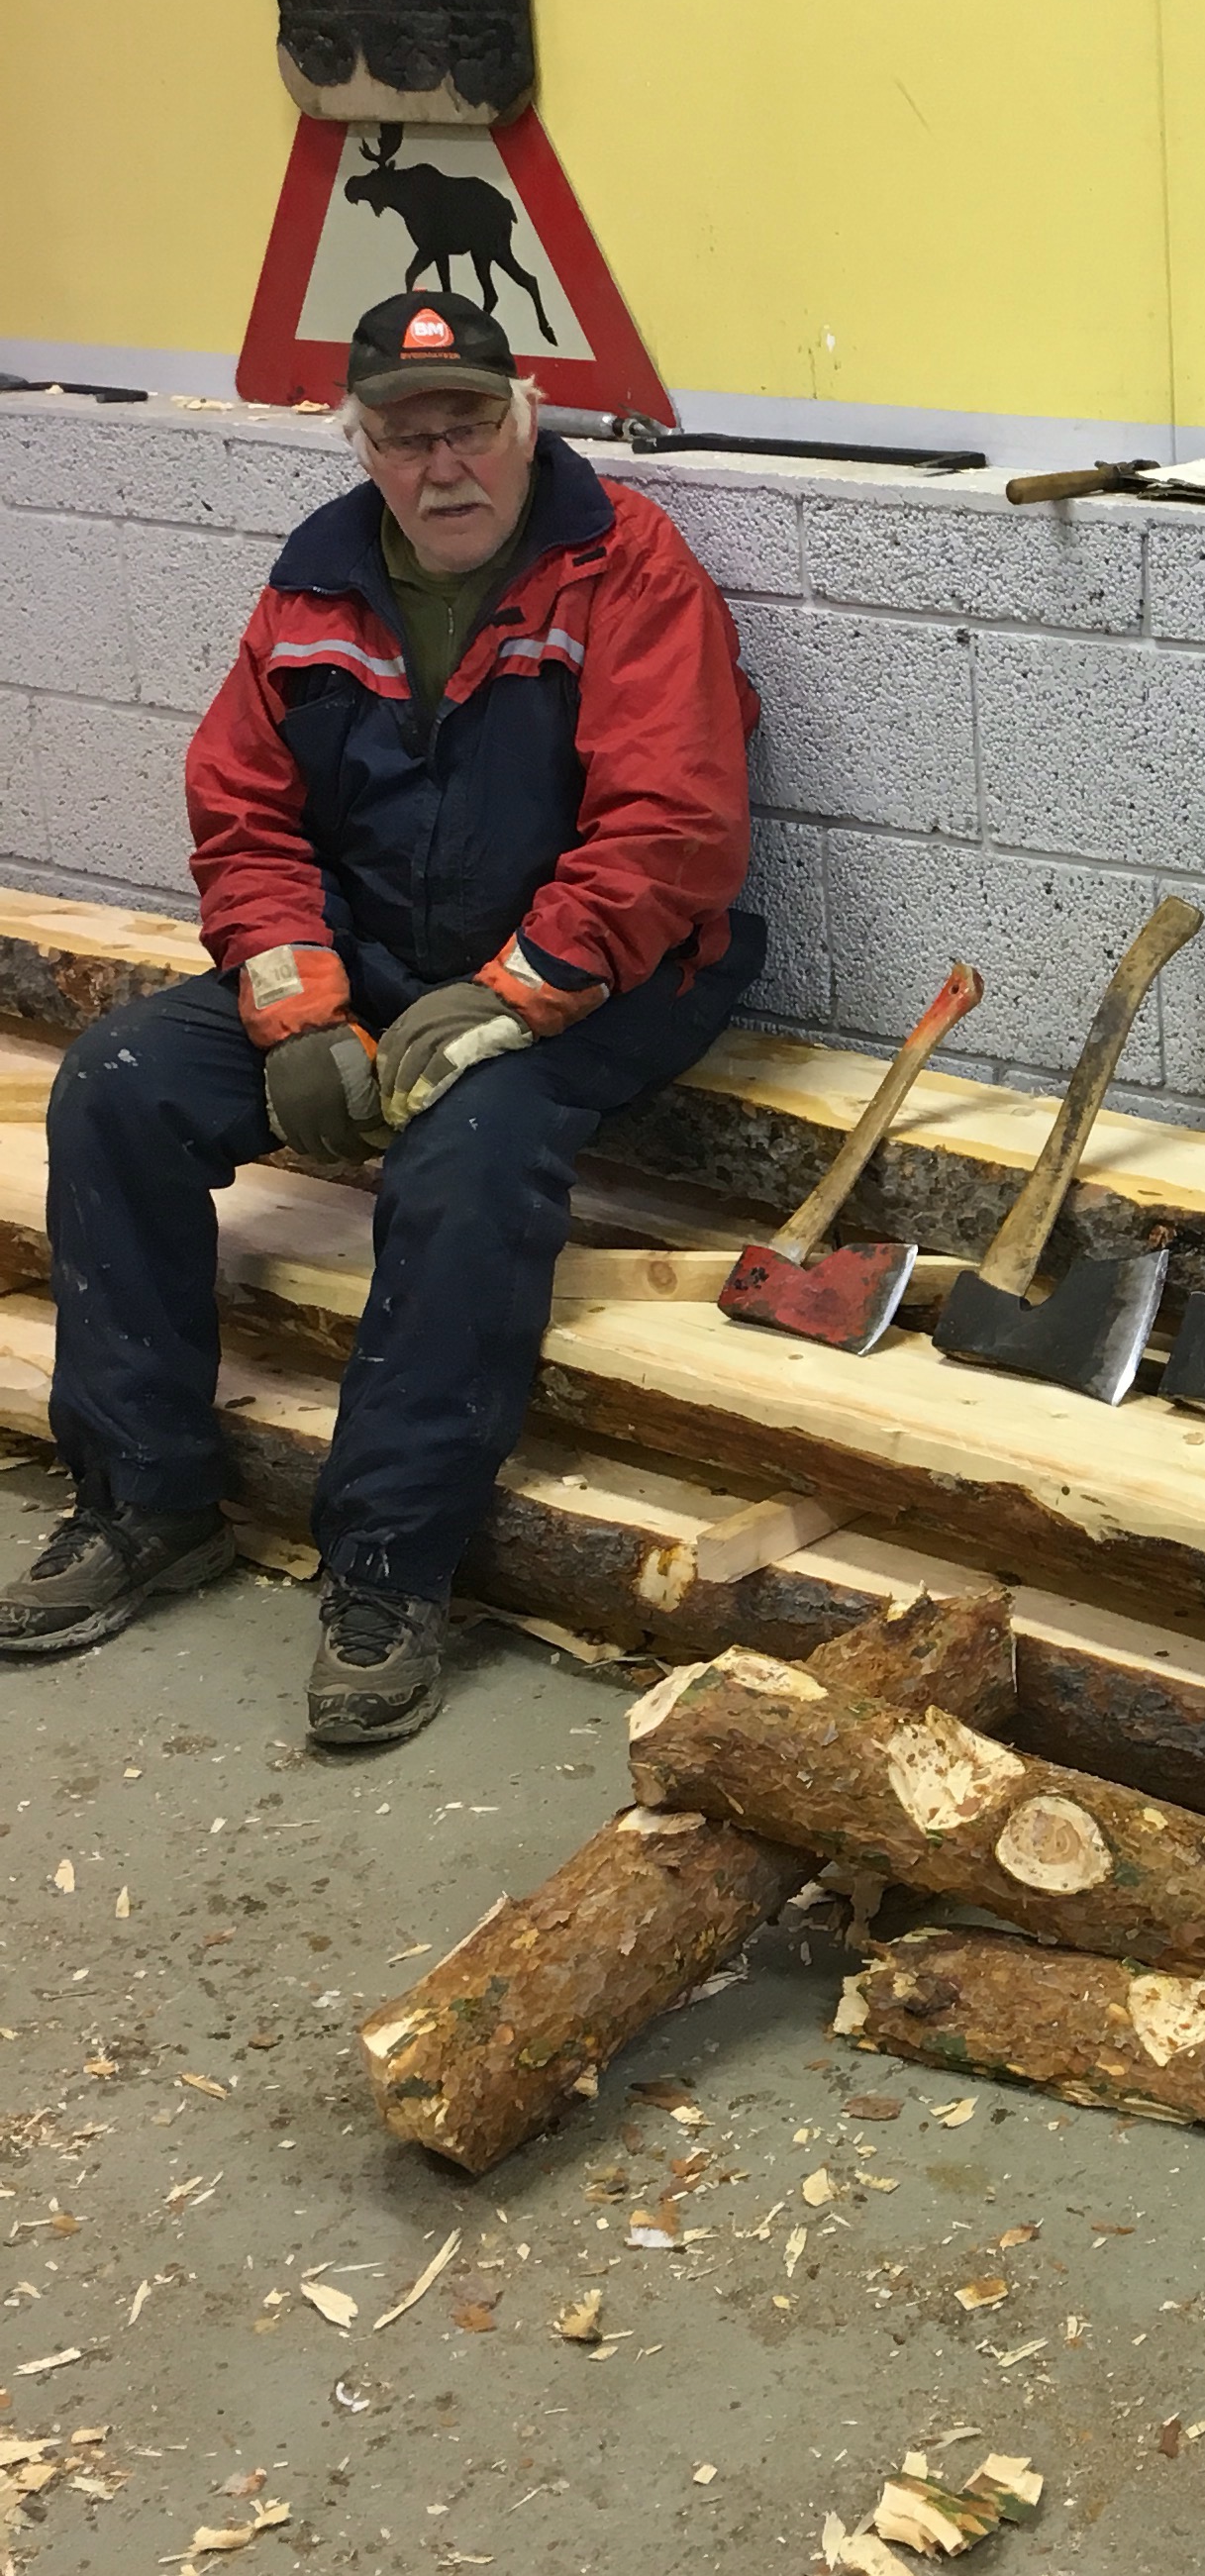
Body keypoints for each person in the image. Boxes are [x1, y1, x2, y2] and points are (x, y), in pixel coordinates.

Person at [0, 290, 765, 1743]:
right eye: (406, 438)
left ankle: (389, 1568)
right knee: (115, 1082)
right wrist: (296, 1003)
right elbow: (244, 812)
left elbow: (671, 830)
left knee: (468, 1153)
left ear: (526, 419)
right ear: (361, 445)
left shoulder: (627, 567)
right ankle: (145, 1499)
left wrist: (514, 994)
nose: (442, 464)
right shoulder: (317, 581)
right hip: (377, 963)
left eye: (469, 424)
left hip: (613, 972)